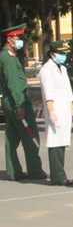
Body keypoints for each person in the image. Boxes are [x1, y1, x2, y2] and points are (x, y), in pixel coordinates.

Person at [0, 23, 47, 181]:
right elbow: (13, 83)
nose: (20, 40)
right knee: (30, 135)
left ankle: (13, 171)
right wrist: (19, 104)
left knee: (12, 137)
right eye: (17, 37)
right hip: (16, 101)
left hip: (8, 100)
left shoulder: (4, 56)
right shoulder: (9, 59)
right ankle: (35, 171)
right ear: (9, 39)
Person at [38, 41, 73, 186]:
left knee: (62, 141)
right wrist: (51, 112)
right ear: (52, 54)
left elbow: (67, 90)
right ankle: (57, 176)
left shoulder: (63, 69)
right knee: (55, 142)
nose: (63, 56)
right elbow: (48, 92)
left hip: (64, 108)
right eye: (60, 53)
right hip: (55, 109)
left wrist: (72, 108)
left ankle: (60, 174)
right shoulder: (47, 70)